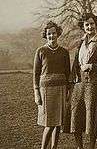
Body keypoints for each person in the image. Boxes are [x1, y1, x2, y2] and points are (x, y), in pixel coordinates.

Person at [70, 13, 97, 149]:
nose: (90, 26)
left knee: (90, 117)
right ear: (83, 27)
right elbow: (75, 63)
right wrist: (71, 81)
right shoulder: (80, 42)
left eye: (92, 23)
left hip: (92, 84)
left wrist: (92, 65)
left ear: (95, 24)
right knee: (75, 115)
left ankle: (91, 146)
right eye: (87, 24)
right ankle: (79, 146)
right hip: (78, 84)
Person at [33, 21, 70, 149]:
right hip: (46, 91)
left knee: (58, 123)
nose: (52, 36)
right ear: (45, 35)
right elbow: (36, 74)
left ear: (58, 34)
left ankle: (54, 147)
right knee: (49, 123)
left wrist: (68, 91)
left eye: (54, 33)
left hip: (61, 89)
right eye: (49, 34)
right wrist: (36, 92)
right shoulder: (40, 51)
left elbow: (68, 72)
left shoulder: (64, 52)